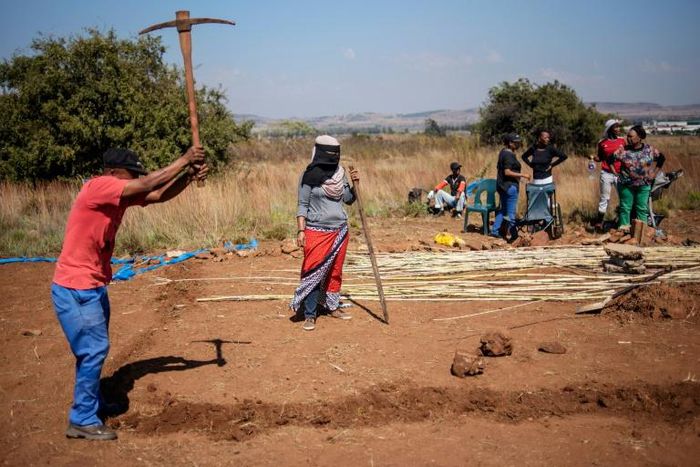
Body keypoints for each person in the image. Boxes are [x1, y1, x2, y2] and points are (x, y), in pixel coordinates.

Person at [52, 146, 208, 441]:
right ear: (113, 173)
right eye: (130, 175)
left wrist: (187, 176)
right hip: (76, 286)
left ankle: (92, 403)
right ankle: (82, 418)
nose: (135, 179)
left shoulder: (116, 197)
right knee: (93, 350)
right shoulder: (98, 187)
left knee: (91, 351)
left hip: (93, 284)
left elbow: (158, 194)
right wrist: (186, 159)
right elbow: (148, 184)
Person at [291, 135, 359, 331]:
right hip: (316, 231)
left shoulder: (340, 173)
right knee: (313, 271)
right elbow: (302, 205)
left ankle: (331, 306)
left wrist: (355, 186)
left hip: (340, 230)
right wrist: (301, 230)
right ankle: (310, 314)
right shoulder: (308, 176)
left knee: (334, 271)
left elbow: (347, 199)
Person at [614, 125, 665, 232]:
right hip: (626, 185)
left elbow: (661, 158)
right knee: (625, 208)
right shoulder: (623, 150)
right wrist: (616, 173)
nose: (628, 138)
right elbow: (610, 160)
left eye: (631, 136)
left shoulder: (649, 150)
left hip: (643, 185)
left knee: (642, 209)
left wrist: (654, 173)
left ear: (640, 137)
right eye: (627, 136)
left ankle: (642, 232)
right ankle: (623, 230)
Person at [491, 133, 530, 239]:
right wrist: (523, 175)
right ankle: (514, 236)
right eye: (516, 142)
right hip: (509, 187)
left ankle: (495, 230)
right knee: (511, 213)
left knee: (503, 210)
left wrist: (520, 180)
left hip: (502, 185)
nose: (518, 144)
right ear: (510, 143)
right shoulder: (508, 155)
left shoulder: (503, 152)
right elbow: (507, 172)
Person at [589, 119, 625, 231]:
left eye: (619, 127)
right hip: (606, 173)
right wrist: (594, 159)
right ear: (610, 129)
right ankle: (599, 223)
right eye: (616, 127)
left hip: (621, 174)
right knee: (605, 198)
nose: (618, 129)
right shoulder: (602, 143)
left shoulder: (623, 141)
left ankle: (623, 221)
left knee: (624, 197)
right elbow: (600, 157)